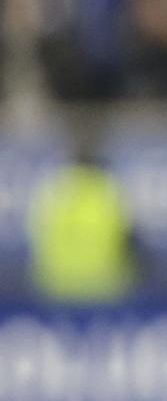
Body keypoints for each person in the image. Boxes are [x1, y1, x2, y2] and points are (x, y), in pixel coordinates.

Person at [27, 117, 141, 305]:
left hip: (55, 288)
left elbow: (34, 234)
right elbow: (130, 236)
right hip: (104, 288)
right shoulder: (107, 187)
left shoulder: (52, 186)